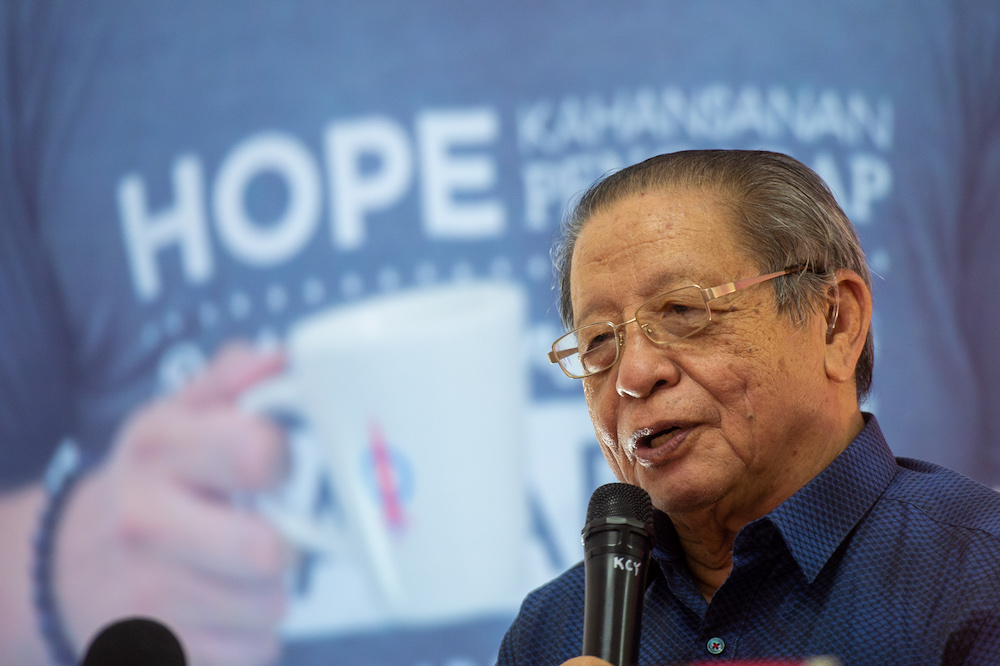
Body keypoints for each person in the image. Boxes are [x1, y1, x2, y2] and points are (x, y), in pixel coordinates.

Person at [497, 150, 1000, 665]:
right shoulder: (551, 633)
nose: (632, 377)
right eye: (598, 341)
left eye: (681, 310)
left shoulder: (980, 576)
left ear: (836, 322)